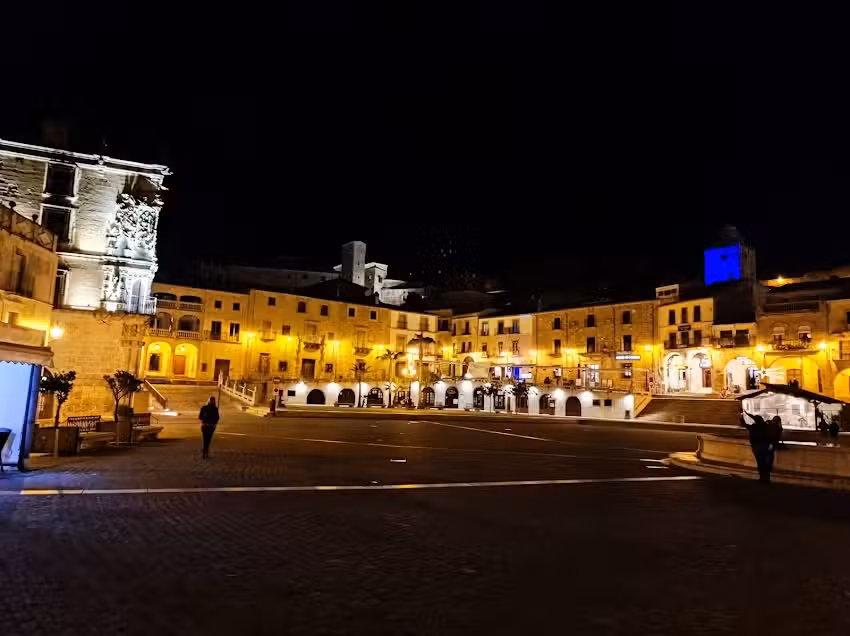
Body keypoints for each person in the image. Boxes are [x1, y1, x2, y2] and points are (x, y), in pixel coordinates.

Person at [741, 410, 773, 483]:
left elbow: (744, 424)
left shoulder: (754, 427)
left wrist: (742, 414)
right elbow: (770, 435)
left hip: (757, 446)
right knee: (765, 462)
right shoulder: (766, 426)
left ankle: (762, 478)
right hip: (765, 446)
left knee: (760, 462)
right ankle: (767, 478)